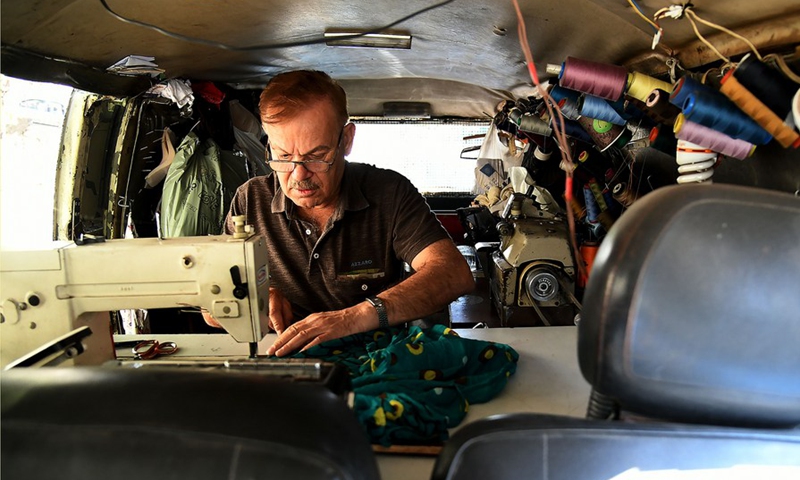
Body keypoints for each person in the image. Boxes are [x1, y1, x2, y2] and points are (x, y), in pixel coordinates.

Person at [204, 70, 474, 356]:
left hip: (375, 355)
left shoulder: (389, 192)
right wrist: (251, 298)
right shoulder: (249, 200)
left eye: (317, 156)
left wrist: (353, 318)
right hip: (285, 357)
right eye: (283, 157)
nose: (299, 175)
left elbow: (453, 273)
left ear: (346, 140)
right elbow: (210, 307)